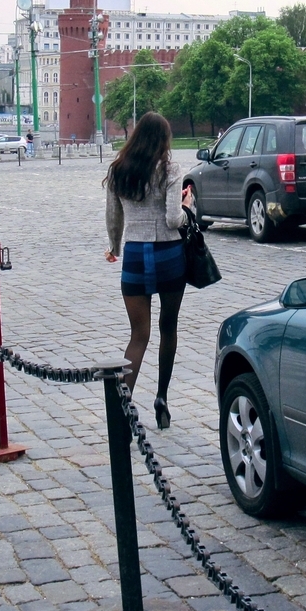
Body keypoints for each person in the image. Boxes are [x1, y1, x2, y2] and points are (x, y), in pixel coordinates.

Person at [104, 112, 193, 429]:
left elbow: (113, 217)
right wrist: (188, 206)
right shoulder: (169, 168)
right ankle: (162, 399)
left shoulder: (118, 170)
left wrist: (114, 247)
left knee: (138, 336)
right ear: (164, 139)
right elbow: (172, 219)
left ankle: (122, 410)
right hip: (168, 254)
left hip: (136, 255)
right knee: (168, 327)